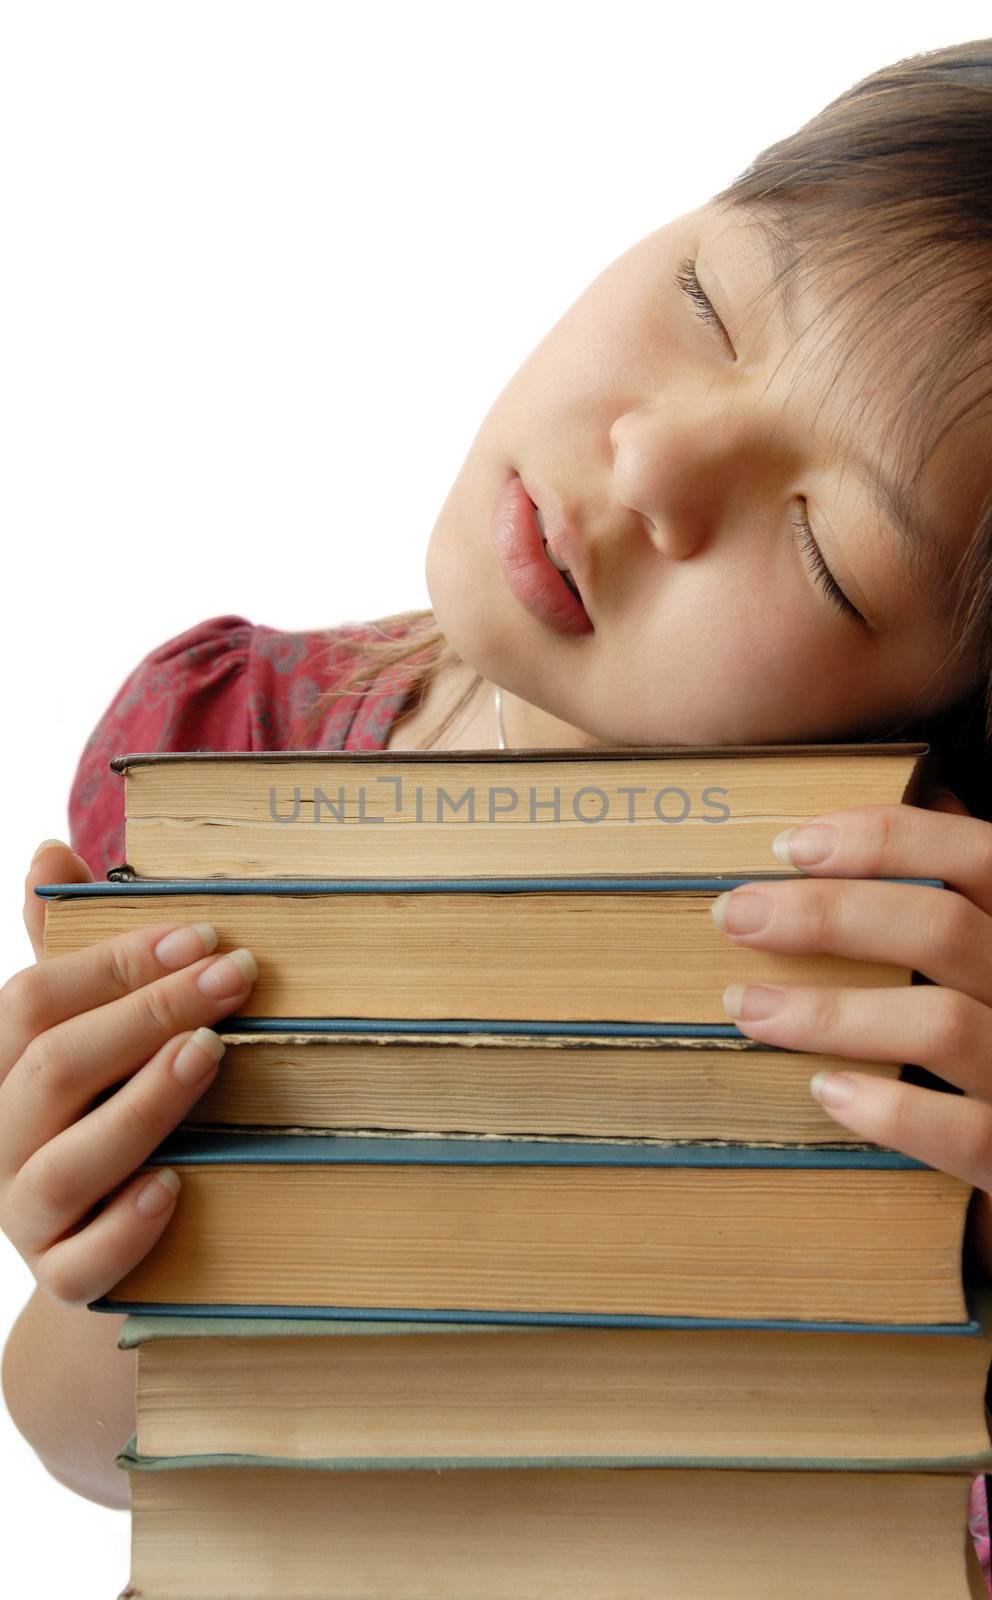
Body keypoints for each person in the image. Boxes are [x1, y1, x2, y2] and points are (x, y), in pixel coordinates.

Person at [3, 32, 992, 1589]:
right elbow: (92, 1461)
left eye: (825, 554)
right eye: (707, 302)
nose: (654, 457)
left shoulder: (947, 1017)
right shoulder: (218, 751)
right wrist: (93, 1256)